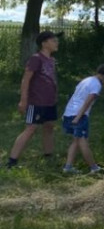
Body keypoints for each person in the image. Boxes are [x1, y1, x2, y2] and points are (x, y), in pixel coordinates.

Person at [7, 30, 62, 169]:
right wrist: (23, 100)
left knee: (49, 126)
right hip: (37, 101)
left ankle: (48, 155)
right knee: (31, 128)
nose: (57, 43)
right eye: (53, 40)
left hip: (50, 102)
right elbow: (26, 80)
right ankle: (12, 160)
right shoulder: (36, 58)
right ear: (44, 43)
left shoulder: (51, 60)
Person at [61, 63, 104, 174]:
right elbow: (88, 101)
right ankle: (94, 168)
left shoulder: (87, 80)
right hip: (79, 115)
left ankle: (68, 167)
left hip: (69, 113)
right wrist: (78, 117)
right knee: (83, 142)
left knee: (76, 141)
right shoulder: (96, 85)